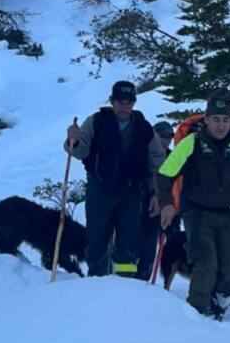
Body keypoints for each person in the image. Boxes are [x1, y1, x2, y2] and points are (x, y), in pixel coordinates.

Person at [157, 92, 230, 319]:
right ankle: (197, 313)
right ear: (206, 119)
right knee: (205, 262)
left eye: (225, 120)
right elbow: (165, 175)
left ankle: (221, 300)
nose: (221, 125)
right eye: (216, 119)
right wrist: (166, 204)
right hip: (197, 213)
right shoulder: (191, 144)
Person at [66, 81, 165, 277]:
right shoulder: (95, 121)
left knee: (129, 243)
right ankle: (97, 281)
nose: (124, 106)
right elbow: (79, 151)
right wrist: (74, 140)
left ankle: (124, 285)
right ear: (112, 101)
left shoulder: (144, 128)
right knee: (96, 242)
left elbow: (157, 161)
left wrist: (156, 193)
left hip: (132, 194)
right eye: (120, 101)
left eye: (128, 102)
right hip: (99, 191)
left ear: (134, 103)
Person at [136, 121, 175, 281]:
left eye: (169, 136)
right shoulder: (142, 154)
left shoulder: (174, 158)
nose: (165, 140)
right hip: (137, 208)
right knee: (129, 248)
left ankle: (143, 282)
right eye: (162, 136)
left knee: (149, 251)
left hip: (160, 213)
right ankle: (124, 279)